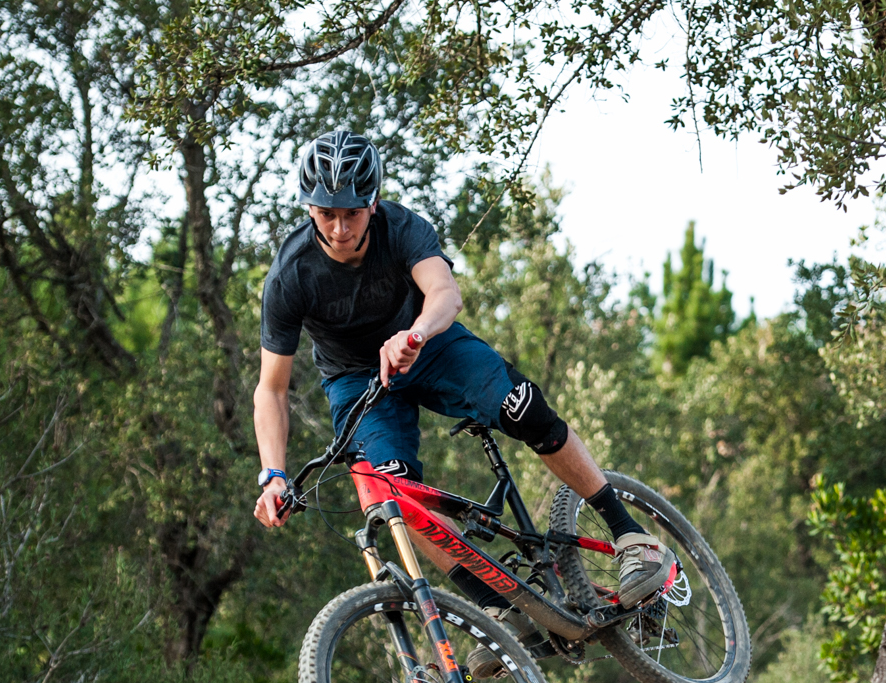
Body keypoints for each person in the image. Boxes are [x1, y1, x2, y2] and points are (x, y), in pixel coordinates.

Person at [250, 128, 674, 621]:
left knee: (524, 407)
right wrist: (274, 476)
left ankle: (629, 534)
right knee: (391, 500)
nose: (341, 228)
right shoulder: (290, 274)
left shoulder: (402, 228)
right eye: (327, 214)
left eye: (352, 212)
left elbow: (445, 293)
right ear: (308, 209)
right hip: (357, 382)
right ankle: (500, 611)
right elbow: (272, 389)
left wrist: (415, 335)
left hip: (430, 344)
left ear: (374, 202)